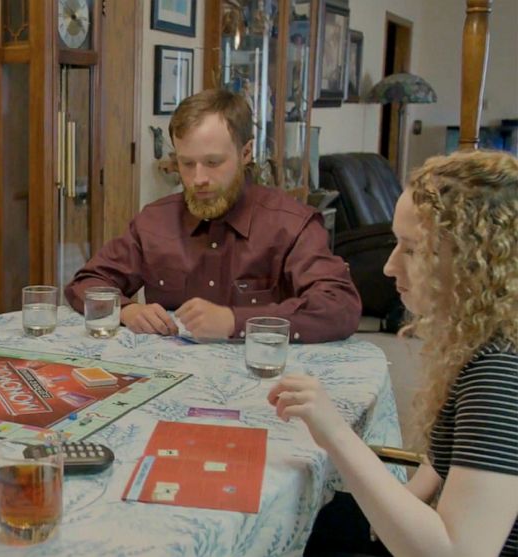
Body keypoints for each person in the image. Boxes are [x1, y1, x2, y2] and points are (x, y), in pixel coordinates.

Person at [270, 150, 518, 556]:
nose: (388, 267)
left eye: (413, 250)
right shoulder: (482, 340)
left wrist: (336, 434)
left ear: (476, 262)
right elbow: (435, 470)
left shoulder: (500, 373)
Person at [65, 89, 360, 343]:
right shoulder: (154, 221)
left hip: (264, 384)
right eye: (187, 163)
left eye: (213, 162)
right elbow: (86, 282)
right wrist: (126, 310)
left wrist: (235, 321)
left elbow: (339, 307)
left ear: (245, 153)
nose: (198, 179)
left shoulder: (292, 225)